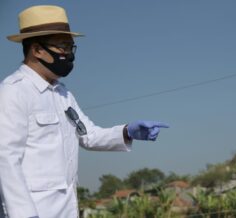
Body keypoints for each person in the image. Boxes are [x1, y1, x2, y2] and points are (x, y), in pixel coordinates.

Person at [0, 5, 169, 218]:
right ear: (37, 49)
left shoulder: (62, 94)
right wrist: (22, 214)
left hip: (66, 210)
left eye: (71, 47)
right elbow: (5, 159)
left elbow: (88, 135)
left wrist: (127, 132)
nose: (69, 54)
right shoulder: (14, 91)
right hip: (33, 211)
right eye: (63, 46)